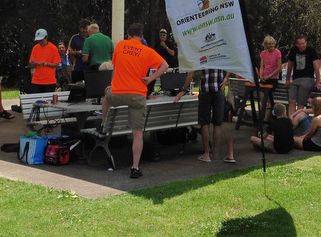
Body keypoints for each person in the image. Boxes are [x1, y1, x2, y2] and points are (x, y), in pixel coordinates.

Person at [101, 23, 168, 179]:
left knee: (106, 95)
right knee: (137, 134)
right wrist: (150, 78)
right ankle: (135, 167)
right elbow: (165, 65)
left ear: (128, 35)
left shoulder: (120, 45)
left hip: (117, 93)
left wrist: (111, 86)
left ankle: (103, 124)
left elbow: (115, 67)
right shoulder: (147, 51)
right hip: (138, 95)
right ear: (142, 37)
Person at [175, 68, 235, 164]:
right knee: (217, 123)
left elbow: (191, 73)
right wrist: (226, 78)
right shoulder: (221, 52)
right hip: (219, 89)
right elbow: (231, 63)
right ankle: (215, 153)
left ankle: (206, 154)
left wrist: (184, 90)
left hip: (205, 89)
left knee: (204, 123)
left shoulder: (201, 53)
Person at [284, 35, 321, 114]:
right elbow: (290, 65)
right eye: (300, 44)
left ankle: (294, 119)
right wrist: (287, 79)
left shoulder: (311, 50)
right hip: (295, 79)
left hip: (307, 78)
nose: (302, 46)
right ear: (297, 45)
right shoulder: (294, 50)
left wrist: (318, 81)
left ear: (306, 43)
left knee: (301, 103)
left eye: (303, 43)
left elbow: (316, 67)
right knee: (291, 100)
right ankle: (291, 120)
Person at [29, 28, 61, 93]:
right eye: (38, 41)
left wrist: (44, 63)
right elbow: (30, 64)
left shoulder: (53, 48)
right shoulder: (35, 48)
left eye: (41, 40)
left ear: (46, 37)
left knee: (48, 101)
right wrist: (34, 64)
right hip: (36, 81)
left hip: (49, 81)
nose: (39, 42)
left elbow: (56, 64)